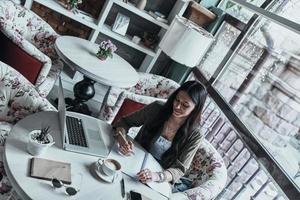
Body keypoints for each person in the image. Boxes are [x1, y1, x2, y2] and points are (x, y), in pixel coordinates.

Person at [112, 80, 207, 186]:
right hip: (133, 160)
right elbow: (125, 122)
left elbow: (180, 169)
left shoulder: (196, 135)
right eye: (177, 100)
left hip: (160, 177)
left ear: (196, 108)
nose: (177, 106)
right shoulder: (156, 108)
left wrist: (157, 176)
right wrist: (122, 140)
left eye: (185, 105)